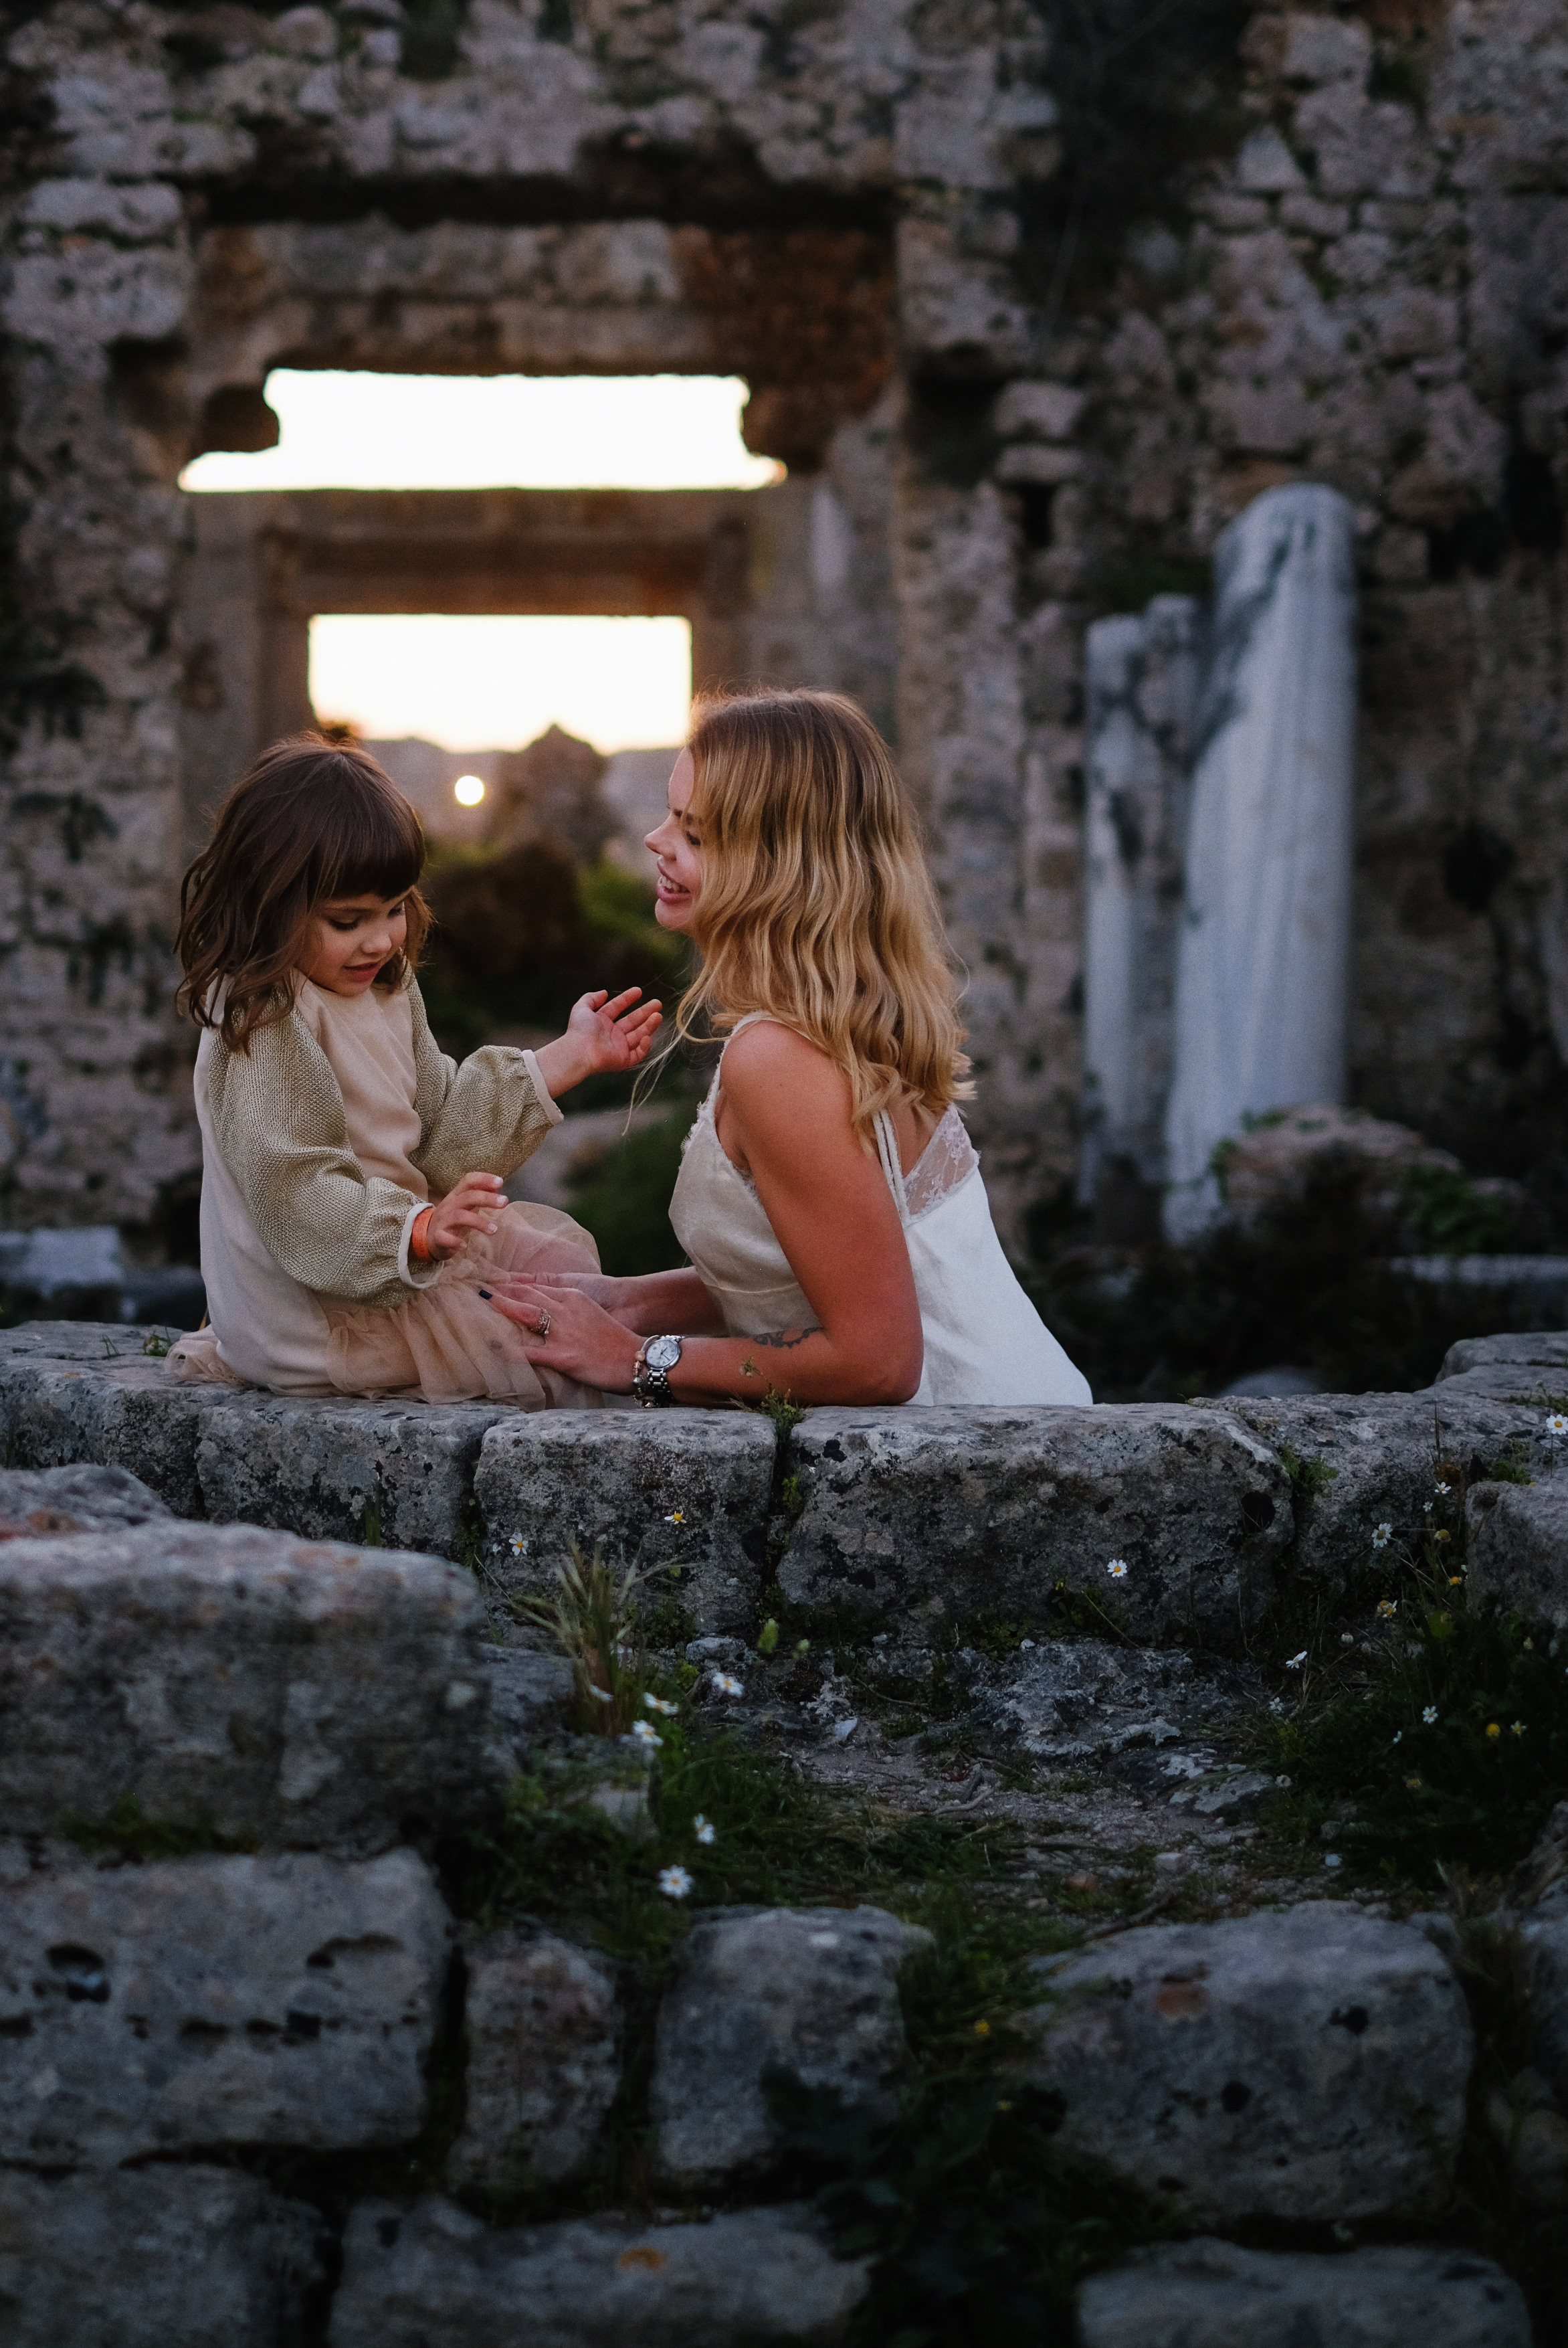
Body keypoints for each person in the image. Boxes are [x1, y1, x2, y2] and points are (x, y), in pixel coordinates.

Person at [483, 689, 1091, 1409]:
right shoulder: (832, 1024)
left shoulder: (779, 1058)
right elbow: (816, 1272)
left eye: (696, 834)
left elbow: (878, 1361)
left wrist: (637, 1356)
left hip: (980, 1460)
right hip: (1021, 1417)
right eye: (672, 815)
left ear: (781, 867)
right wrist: (631, 1302)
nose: (656, 839)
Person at [165, 734, 660, 1403]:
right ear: (268, 906)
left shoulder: (383, 987)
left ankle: (714, 1327)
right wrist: (418, 1229)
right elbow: (295, 1186)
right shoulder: (263, 1014)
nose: (381, 938)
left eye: (394, 908)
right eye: (348, 920)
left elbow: (437, 1128)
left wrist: (565, 1058)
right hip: (321, 1308)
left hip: (399, 1256)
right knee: (551, 1344)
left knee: (564, 1280)